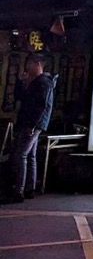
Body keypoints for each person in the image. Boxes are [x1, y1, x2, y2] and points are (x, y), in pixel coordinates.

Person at [5, 55, 54, 202]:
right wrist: (23, 82)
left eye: (29, 63)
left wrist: (32, 124)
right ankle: (29, 188)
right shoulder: (37, 82)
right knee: (30, 156)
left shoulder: (43, 82)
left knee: (21, 155)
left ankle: (19, 189)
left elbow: (41, 105)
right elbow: (20, 97)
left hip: (32, 123)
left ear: (37, 64)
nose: (26, 66)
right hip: (34, 123)